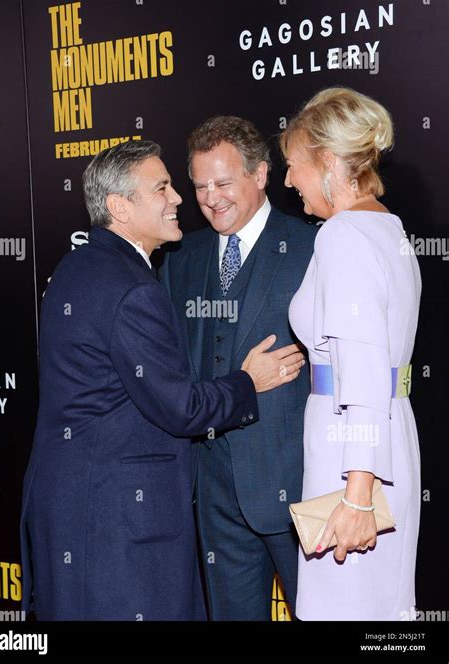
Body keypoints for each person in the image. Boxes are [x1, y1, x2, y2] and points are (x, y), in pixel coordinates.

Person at [19, 140, 305, 621]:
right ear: (120, 207)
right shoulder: (132, 287)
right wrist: (247, 382)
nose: (180, 199)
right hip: (116, 519)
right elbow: (180, 406)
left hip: (75, 506)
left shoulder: (78, 266)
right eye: (164, 188)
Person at [160, 117, 317, 620]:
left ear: (262, 175)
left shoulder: (313, 247)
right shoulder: (183, 256)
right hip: (214, 493)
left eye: (224, 183)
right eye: (201, 185)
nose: (211, 198)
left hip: (299, 488)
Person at [282, 87, 422, 620]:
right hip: (381, 439)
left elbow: (361, 373)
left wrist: (359, 494)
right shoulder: (388, 227)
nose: (289, 180)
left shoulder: (342, 235)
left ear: (327, 161)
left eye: (293, 165)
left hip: (355, 456)